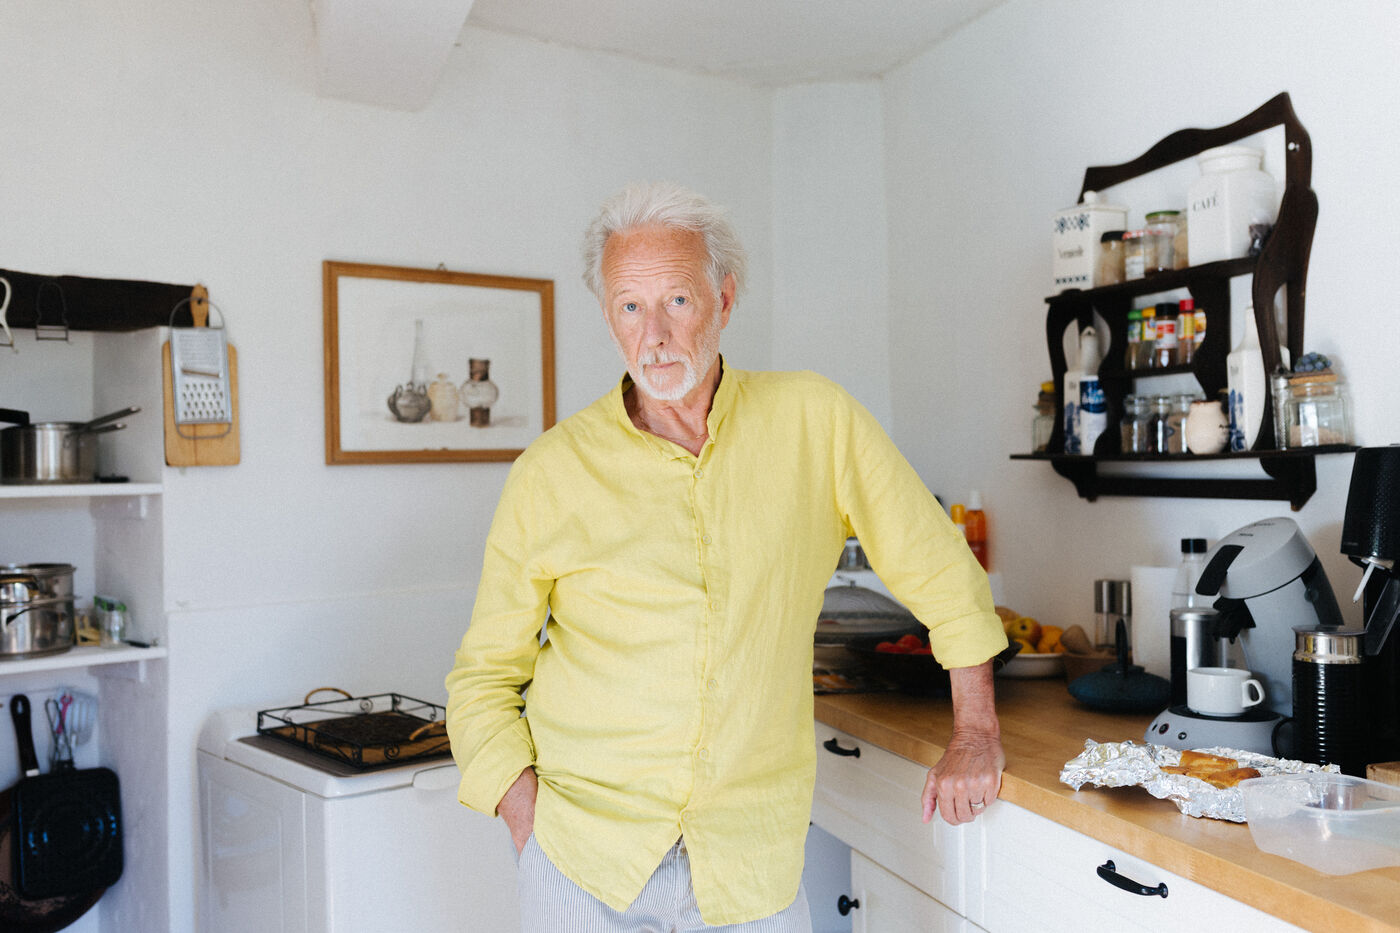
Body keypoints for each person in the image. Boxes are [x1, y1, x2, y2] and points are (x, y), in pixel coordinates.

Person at [445, 181, 1007, 931]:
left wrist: (975, 732)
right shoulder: (550, 471)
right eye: (628, 306)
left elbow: (941, 570)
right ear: (608, 317)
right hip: (584, 860)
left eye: (676, 300)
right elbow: (483, 678)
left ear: (725, 299)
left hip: (750, 862)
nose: (654, 335)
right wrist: (528, 821)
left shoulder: (814, 420)